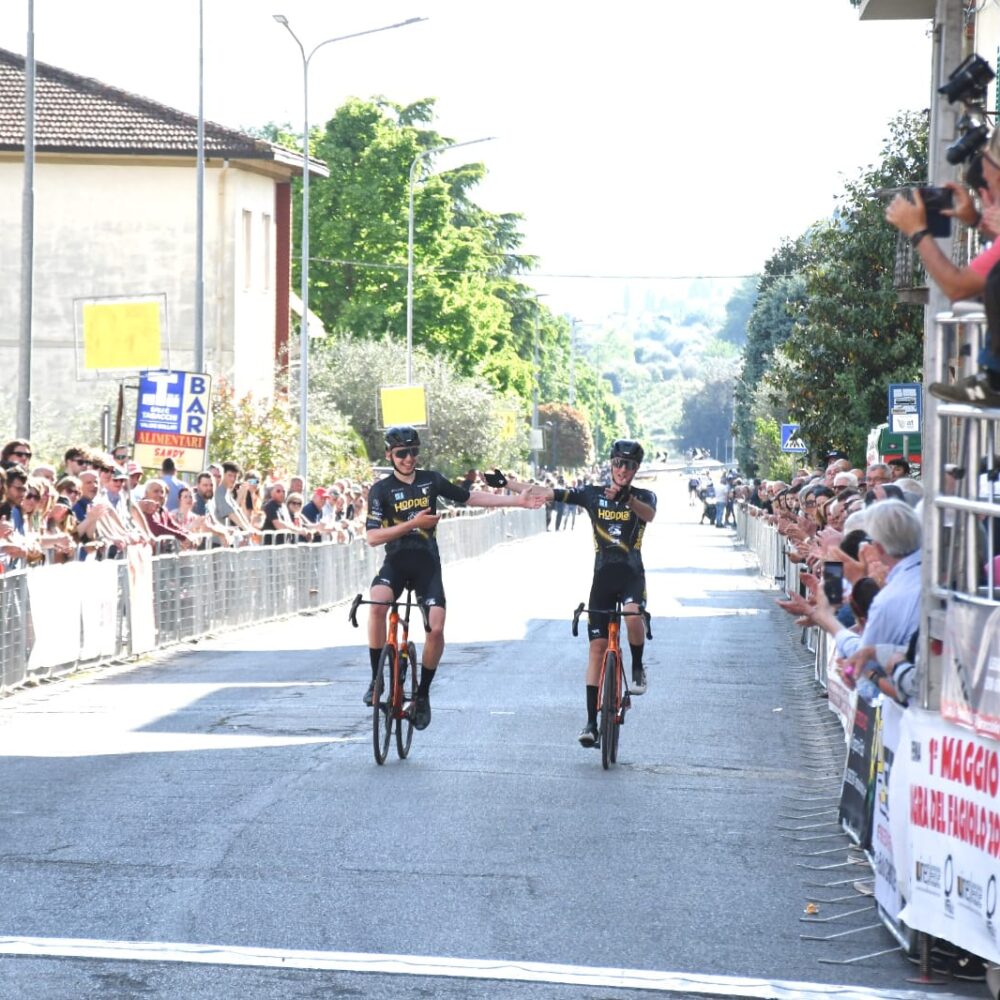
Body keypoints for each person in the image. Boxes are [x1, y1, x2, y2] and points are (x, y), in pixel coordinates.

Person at [362, 426, 544, 731]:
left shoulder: (430, 480)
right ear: (389, 456)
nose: (408, 459)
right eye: (401, 454)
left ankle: (422, 695)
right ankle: (376, 680)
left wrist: (517, 501)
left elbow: (470, 498)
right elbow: (372, 537)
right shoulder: (380, 490)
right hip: (395, 561)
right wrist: (412, 524)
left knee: (436, 628)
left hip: (426, 564)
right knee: (377, 605)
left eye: (413, 452)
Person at [512, 439, 656, 748]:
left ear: (635, 470)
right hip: (602, 577)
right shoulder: (592, 494)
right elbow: (548, 492)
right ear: (611, 464)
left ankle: (638, 664)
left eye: (629, 466)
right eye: (618, 463)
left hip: (632, 574)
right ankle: (591, 722)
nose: (622, 470)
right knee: (597, 648)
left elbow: (649, 515)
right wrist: (508, 482)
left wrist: (628, 498)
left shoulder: (644, 496)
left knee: (632, 614)